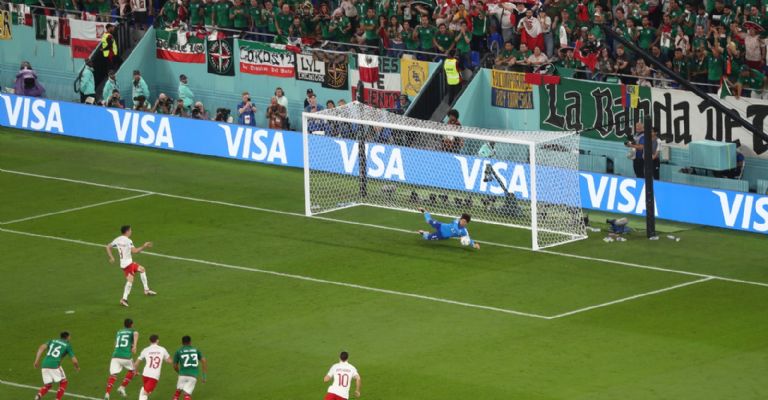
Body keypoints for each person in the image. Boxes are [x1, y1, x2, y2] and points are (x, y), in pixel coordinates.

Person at [105, 225, 156, 308]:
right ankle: (124, 299)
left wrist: (111, 257)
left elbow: (108, 246)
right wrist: (144, 246)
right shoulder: (128, 241)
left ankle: (146, 290)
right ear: (127, 231)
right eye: (130, 230)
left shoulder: (117, 239)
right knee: (130, 281)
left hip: (126, 263)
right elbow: (135, 251)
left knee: (142, 269)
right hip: (127, 264)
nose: (131, 231)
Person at [33, 331, 79, 400]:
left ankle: (38, 396)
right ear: (67, 337)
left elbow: (41, 347)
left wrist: (36, 360)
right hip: (54, 365)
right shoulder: (67, 345)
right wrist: (77, 367)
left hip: (44, 364)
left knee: (48, 385)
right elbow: (74, 360)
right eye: (70, 336)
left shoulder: (52, 341)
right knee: (64, 382)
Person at [104, 318, 139, 399]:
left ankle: (107, 394)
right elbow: (136, 333)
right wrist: (134, 346)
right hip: (126, 356)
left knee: (113, 375)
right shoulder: (132, 331)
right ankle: (122, 387)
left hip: (115, 356)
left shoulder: (119, 332)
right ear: (132, 324)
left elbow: (116, 343)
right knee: (133, 371)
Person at [133, 335, 173, 400]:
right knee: (146, 393)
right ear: (157, 340)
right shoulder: (162, 349)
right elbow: (169, 361)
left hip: (145, 374)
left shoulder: (145, 350)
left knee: (146, 390)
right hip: (154, 375)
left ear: (150, 341)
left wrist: (135, 371)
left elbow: (136, 362)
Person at [172, 336, 207, 400]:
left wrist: (179, 372)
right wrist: (204, 376)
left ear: (182, 343)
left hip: (182, 375)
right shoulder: (196, 350)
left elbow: (175, 366)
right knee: (187, 395)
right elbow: (204, 361)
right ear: (190, 342)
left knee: (177, 394)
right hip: (193, 376)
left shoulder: (178, 351)